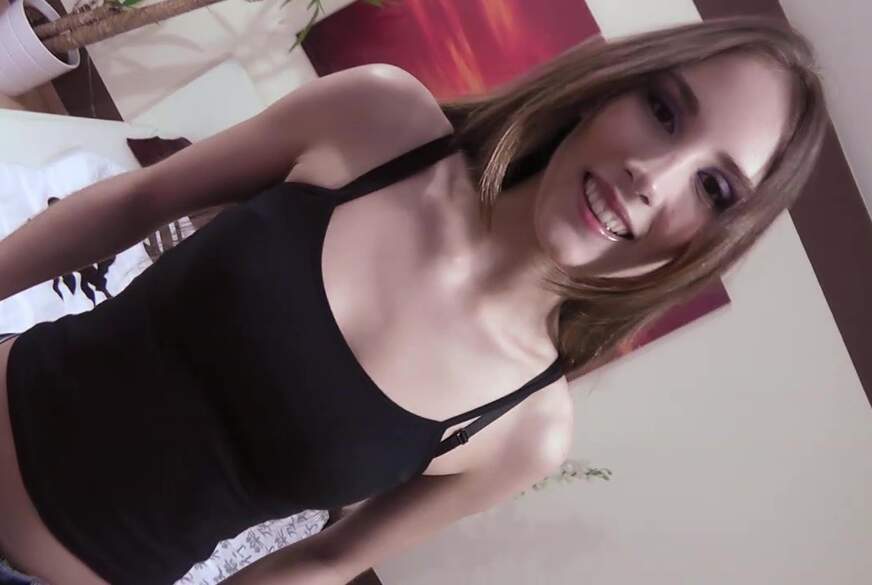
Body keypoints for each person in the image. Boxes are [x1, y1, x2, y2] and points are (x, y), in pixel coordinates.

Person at [0, 15, 826, 585]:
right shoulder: (378, 121)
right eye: (664, 109)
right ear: (610, 89)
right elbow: (136, 201)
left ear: (715, 243)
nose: (655, 175)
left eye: (715, 189)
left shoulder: (526, 429)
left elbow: (323, 560)